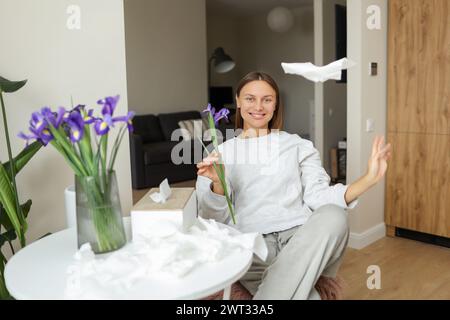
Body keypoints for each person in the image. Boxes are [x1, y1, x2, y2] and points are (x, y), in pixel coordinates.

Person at [195, 71, 392, 300]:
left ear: (275, 103)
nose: (258, 106)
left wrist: (368, 179)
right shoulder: (220, 153)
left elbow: (318, 196)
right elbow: (211, 218)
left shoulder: (298, 144)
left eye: (267, 99)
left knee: (335, 215)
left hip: (300, 239)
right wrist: (218, 184)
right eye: (250, 98)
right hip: (252, 243)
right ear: (238, 101)